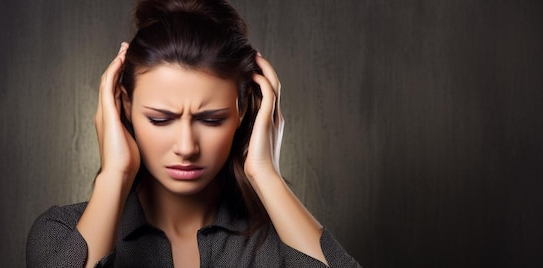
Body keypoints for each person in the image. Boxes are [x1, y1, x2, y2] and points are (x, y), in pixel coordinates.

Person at [26, 0, 360, 267]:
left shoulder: (280, 243)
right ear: (123, 107)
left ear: (242, 112)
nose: (186, 147)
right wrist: (115, 174)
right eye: (160, 119)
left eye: (211, 119)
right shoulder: (60, 233)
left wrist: (266, 175)